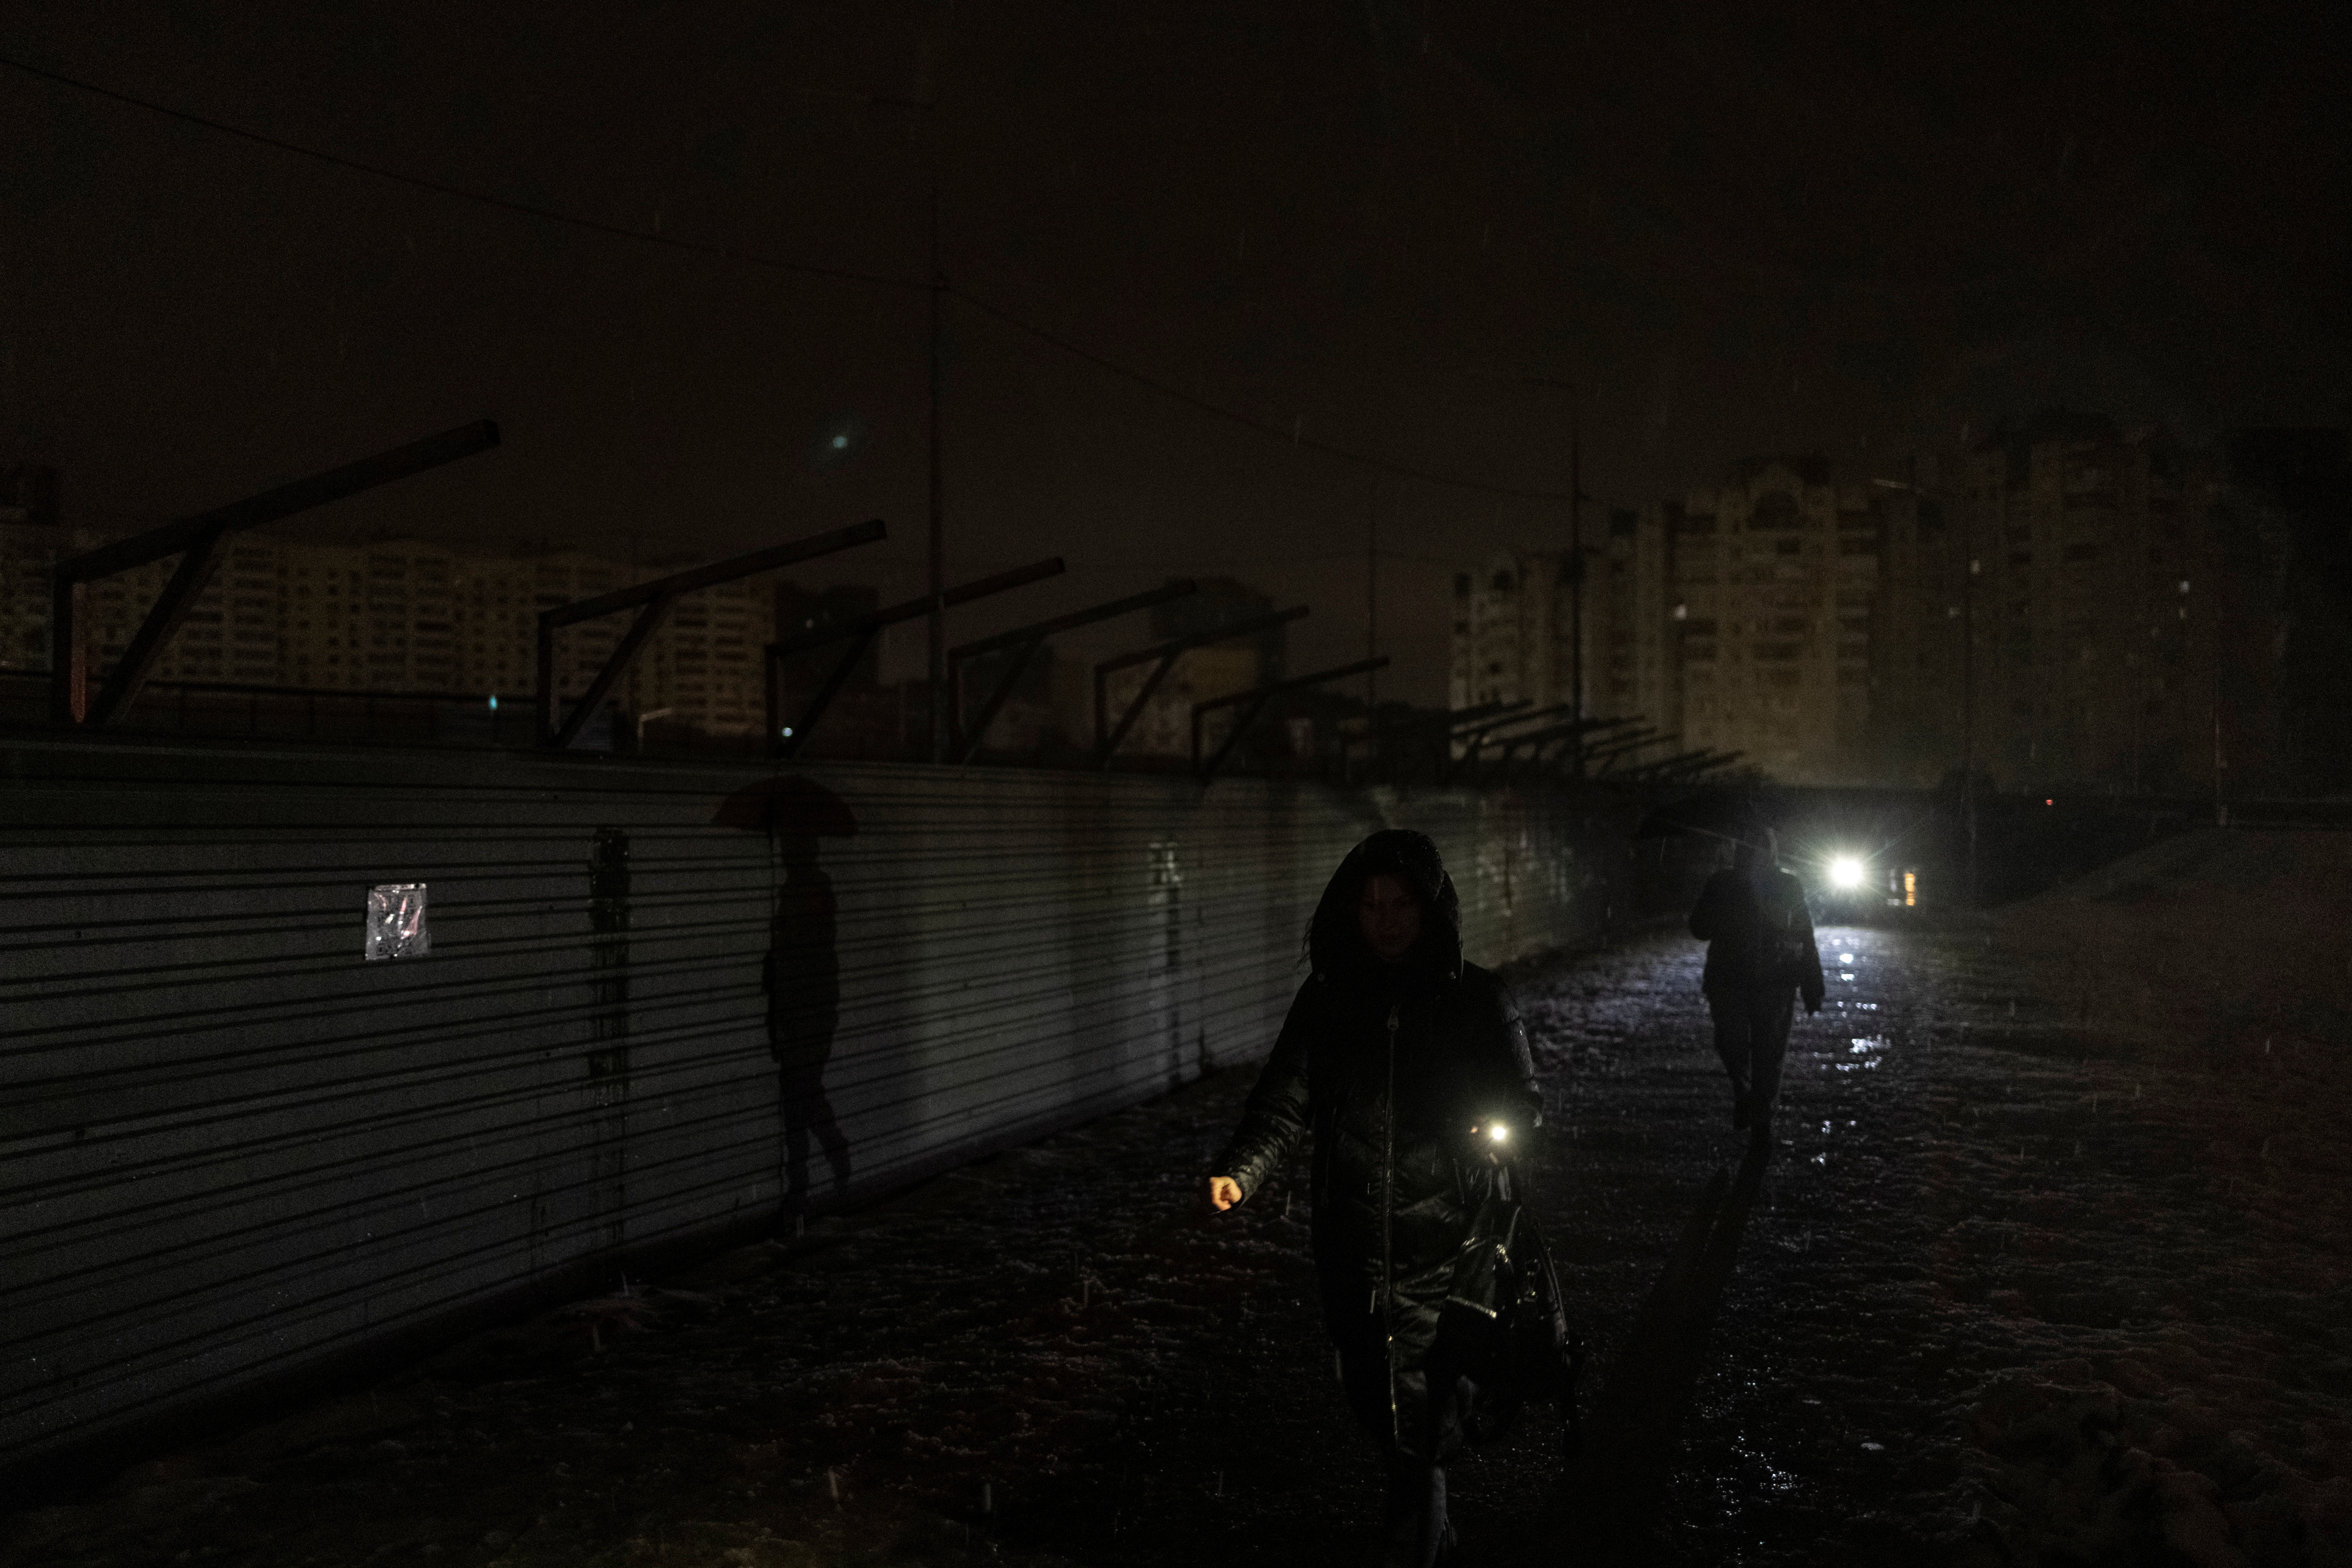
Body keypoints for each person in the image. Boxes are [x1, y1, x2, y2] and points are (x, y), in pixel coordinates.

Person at [1203, 830, 1541, 1568]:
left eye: (1400, 904)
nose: (1386, 918)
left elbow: (1522, 1098)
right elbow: (1285, 1097)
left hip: (1445, 1243)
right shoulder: (1328, 998)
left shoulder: (1476, 998)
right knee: (1375, 1392)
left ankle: (1416, 1529)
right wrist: (1244, 1168)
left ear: (1430, 909)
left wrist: (1494, 1131)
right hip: (1351, 1244)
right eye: (1372, 904)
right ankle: (1422, 1505)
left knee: (1420, 1408)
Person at [1687, 828, 1824, 1153]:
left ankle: (1755, 1108)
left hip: (1758, 981)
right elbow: (1699, 928)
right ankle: (1751, 1100)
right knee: (1748, 1048)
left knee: (1757, 1049)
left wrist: (1811, 983)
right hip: (1747, 981)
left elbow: (1804, 934)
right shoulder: (1731, 884)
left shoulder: (1775, 883)